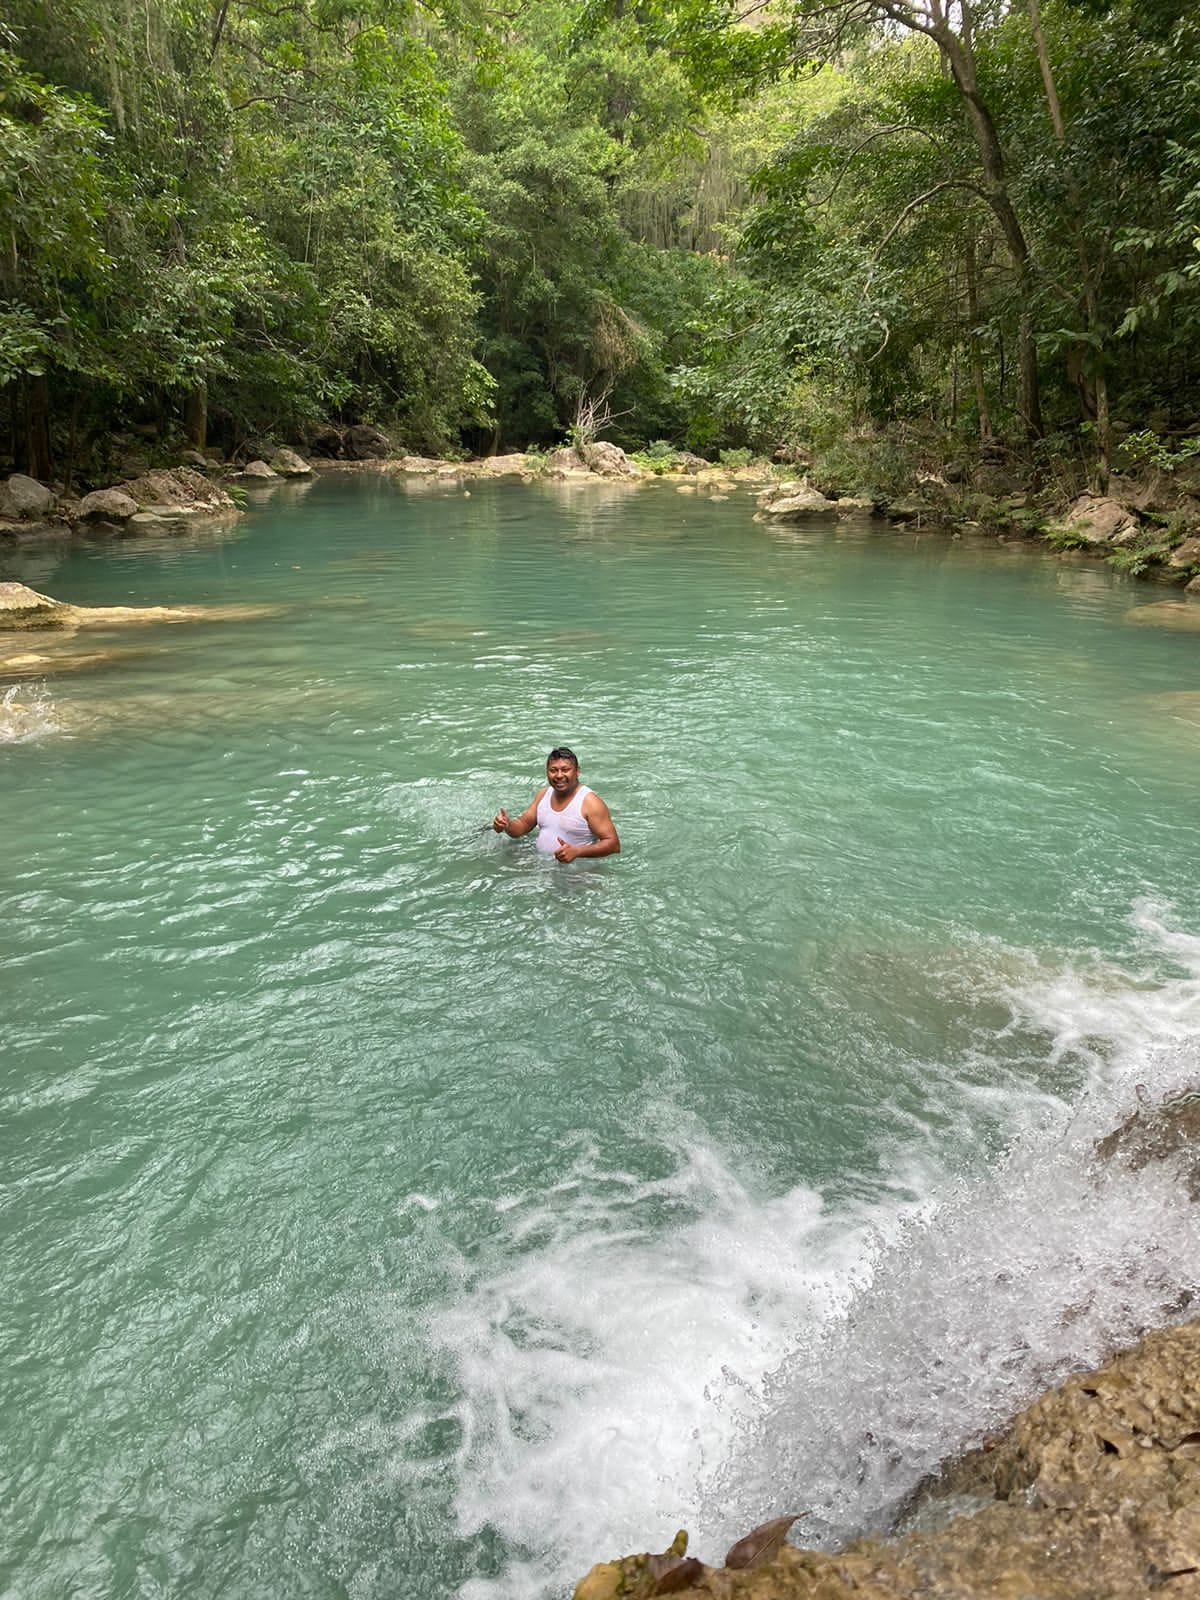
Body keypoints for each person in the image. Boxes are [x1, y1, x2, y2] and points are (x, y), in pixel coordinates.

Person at [492, 747, 620, 862]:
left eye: (565, 770)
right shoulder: (543, 795)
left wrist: (577, 851)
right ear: (547, 772)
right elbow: (522, 826)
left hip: (580, 876)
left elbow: (613, 845)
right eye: (553, 770)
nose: (559, 775)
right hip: (543, 870)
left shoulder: (590, 802)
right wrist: (507, 824)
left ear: (577, 771)